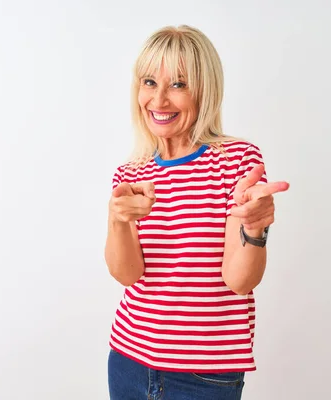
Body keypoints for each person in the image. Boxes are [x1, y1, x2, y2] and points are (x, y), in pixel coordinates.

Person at [105, 25, 290, 400]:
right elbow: (127, 274)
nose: (158, 100)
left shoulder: (237, 161)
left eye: (178, 85)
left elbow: (240, 282)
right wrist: (117, 218)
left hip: (204, 376)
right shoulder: (131, 173)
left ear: (205, 90)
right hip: (129, 359)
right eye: (149, 82)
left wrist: (254, 227)